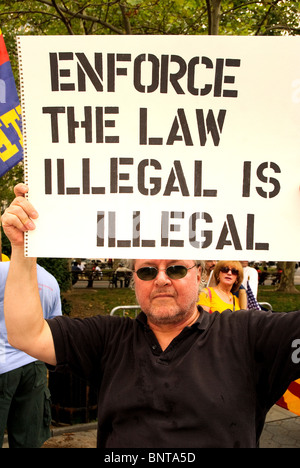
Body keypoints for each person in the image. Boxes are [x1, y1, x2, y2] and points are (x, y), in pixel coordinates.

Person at [2, 184, 300, 448]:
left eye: (176, 268)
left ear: (199, 276)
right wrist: (22, 248)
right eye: (147, 270)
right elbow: (26, 335)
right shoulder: (108, 339)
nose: (161, 279)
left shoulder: (248, 336)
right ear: (134, 280)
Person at [0, 259, 62, 448]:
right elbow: (55, 326)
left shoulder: (3, 270)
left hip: (3, 363)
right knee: (28, 440)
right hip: (34, 366)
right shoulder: (50, 281)